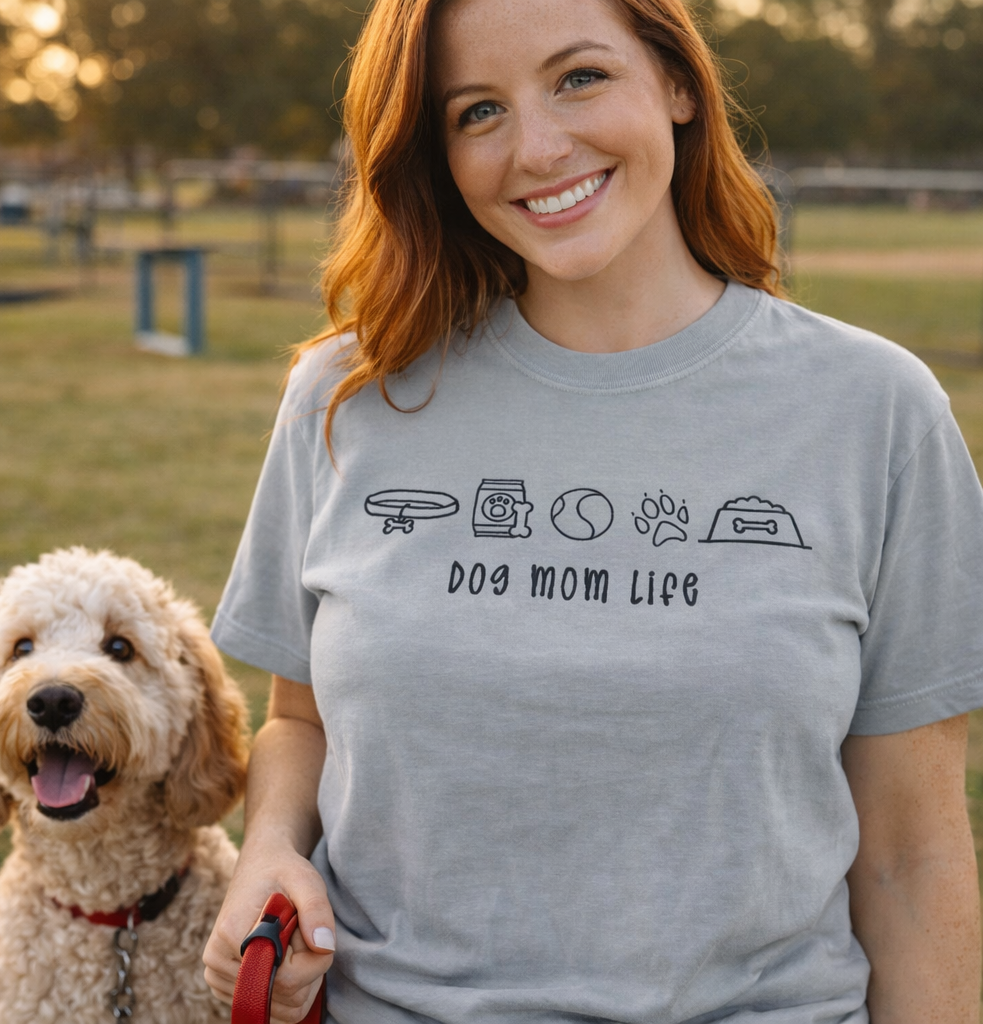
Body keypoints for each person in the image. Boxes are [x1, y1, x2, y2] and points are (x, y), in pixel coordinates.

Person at [201, 0, 983, 1019]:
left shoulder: (875, 410)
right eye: (475, 111)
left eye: (578, 78)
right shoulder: (345, 395)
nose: (535, 148)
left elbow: (912, 856)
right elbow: (299, 717)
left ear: (676, 83)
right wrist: (268, 847)